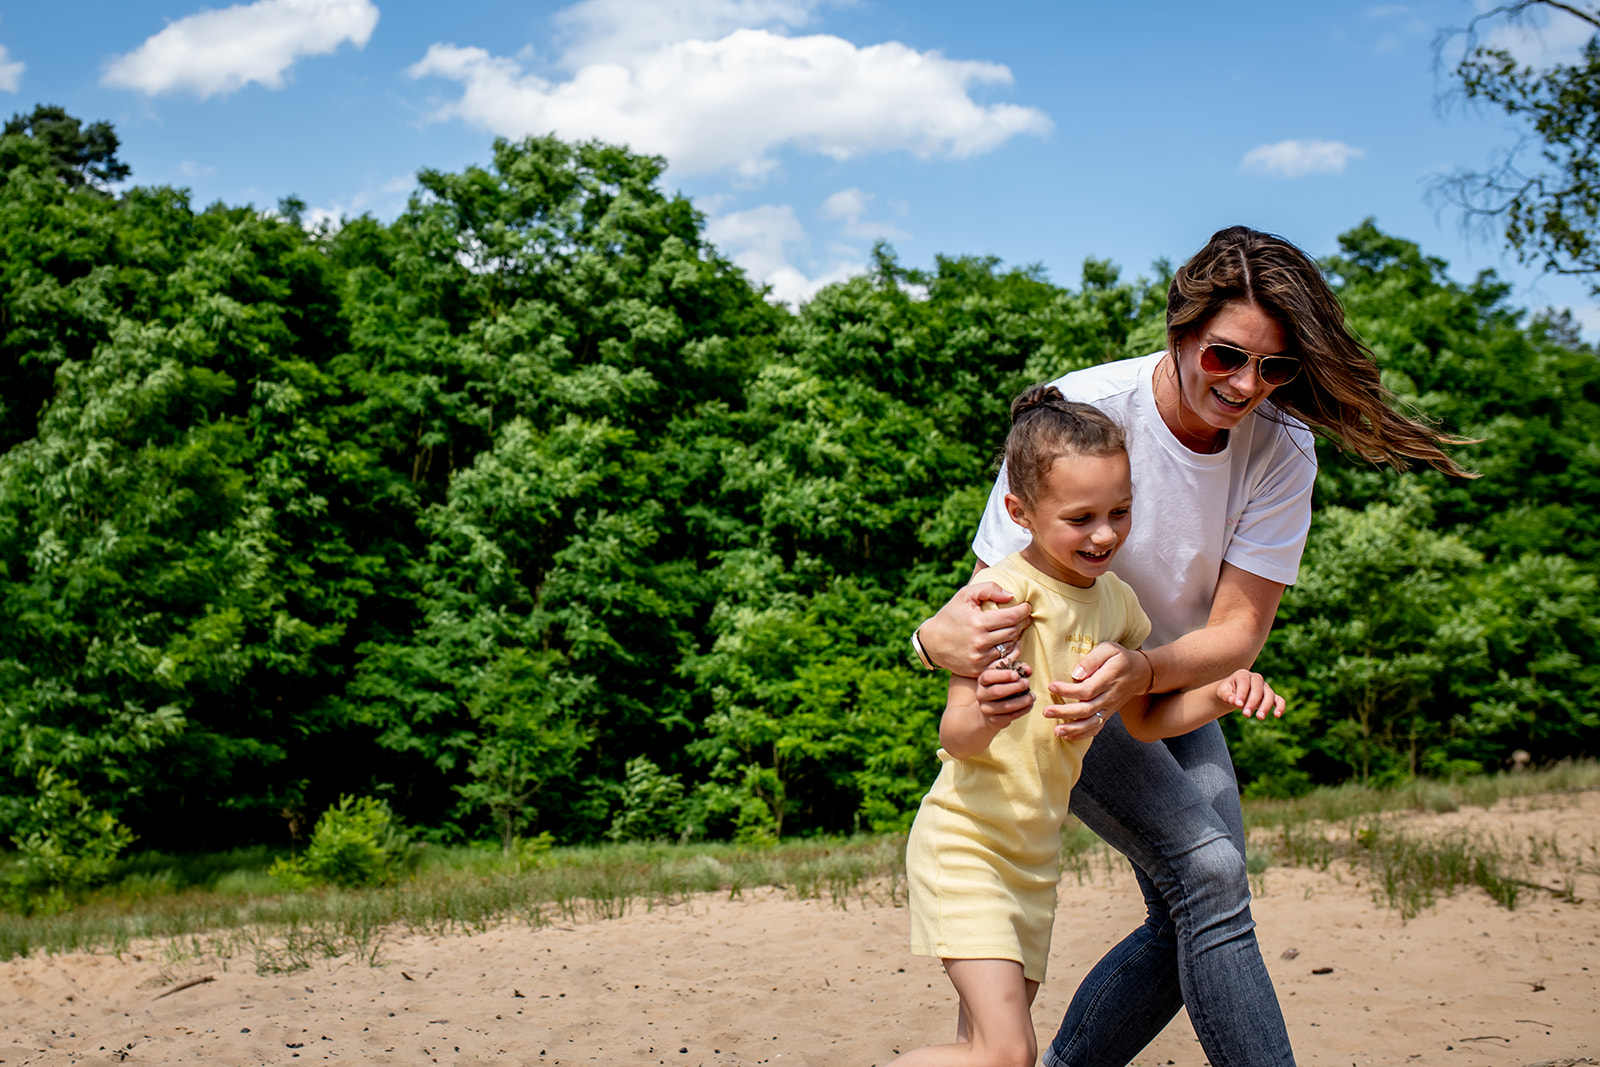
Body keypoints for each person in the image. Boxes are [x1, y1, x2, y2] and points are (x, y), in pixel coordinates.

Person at [912, 225, 1475, 1067]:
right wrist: (930, 640)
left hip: (1167, 676)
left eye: (1276, 367)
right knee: (1207, 873)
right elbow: (992, 599)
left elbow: (1238, 632)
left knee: (1207, 899)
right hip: (1074, 686)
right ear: (1179, 330)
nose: (1249, 386)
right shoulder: (1084, 414)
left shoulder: (1283, 448)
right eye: (1225, 357)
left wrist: (1146, 671)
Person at [893, 385, 1286, 1067]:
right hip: (968, 845)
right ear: (1019, 512)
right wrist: (986, 711)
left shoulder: (1119, 606)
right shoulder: (999, 599)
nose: (1105, 533)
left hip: (1032, 861)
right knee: (1006, 1052)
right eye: (1081, 517)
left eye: (1120, 512)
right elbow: (955, 736)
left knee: (979, 1051)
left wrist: (1221, 693)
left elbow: (1144, 722)